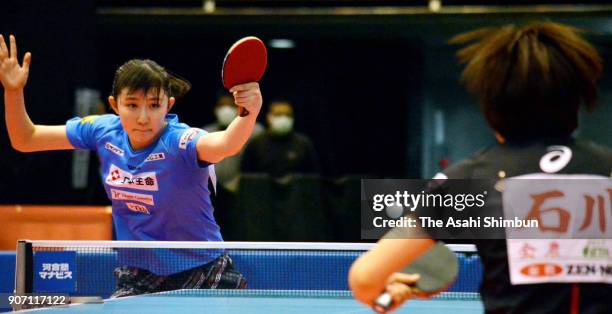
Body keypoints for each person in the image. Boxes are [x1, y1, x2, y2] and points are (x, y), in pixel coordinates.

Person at [349, 22, 612, 313]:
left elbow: (364, 279)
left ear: (491, 110)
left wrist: (393, 289)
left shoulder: (469, 178)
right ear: (577, 102)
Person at [0, 35, 262, 297]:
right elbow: (26, 139)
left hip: (203, 270)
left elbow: (227, 143)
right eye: (132, 105)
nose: (143, 117)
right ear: (115, 105)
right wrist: (13, 91)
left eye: (154, 105)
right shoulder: (102, 131)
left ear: (168, 105)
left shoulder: (180, 141)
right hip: (139, 273)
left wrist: (248, 112)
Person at [241, 100, 319, 179]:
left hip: (297, 190)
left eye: (288, 115)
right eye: (278, 115)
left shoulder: (303, 144)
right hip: (262, 190)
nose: (283, 118)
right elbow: (246, 176)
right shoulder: (256, 143)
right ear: (269, 117)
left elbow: (313, 176)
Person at [203, 95, 264, 191]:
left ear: (238, 108)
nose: (226, 110)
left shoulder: (254, 131)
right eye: (221, 106)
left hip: (244, 189)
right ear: (215, 110)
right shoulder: (206, 132)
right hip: (212, 190)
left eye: (231, 105)